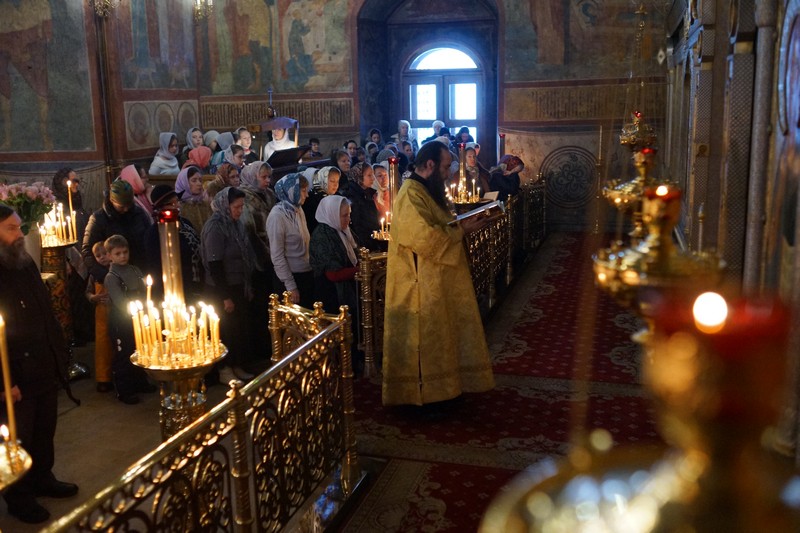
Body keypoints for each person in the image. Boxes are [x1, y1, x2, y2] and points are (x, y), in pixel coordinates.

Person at [382, 141, 495, 406]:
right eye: (445, 167)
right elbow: (424, 237)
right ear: (430, 165)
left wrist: (465, 223)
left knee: (443, 336)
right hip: (418, 286)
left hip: (435, 281)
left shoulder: (426, 190)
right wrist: (461, 231)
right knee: (425, 342)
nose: (447, 174)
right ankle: (425, 397)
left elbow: (441, 224)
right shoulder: (410, 194)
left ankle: (445, 390)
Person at [0, 204, 79, 524]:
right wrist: (3, 383)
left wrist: (57, 355)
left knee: (44, 429)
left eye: (19, 227)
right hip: (14, 373)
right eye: (11, 229)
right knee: (17, 438)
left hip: (42, 363)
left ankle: (42, 477)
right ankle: (18, 496)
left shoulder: (23, 260)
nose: (20, 234)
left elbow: (44, 310)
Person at [201, 187, 255, 384]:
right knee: (226, 330)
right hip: (221, 288)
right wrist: (225, 297)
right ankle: (224, 369)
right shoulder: (215, 227)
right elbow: (214, 264)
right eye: (236, 207)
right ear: (225, 205)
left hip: (238, 284)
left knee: (238, 329)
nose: (240, 210)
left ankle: (236, 364)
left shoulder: (235, 224)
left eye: (242, 206)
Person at [103, 234, 155, 405]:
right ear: (109, 255)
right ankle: (124, 389)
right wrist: (134, 312)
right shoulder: (112, 277)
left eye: (125, 252)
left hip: (138, 316)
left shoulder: (134, 270)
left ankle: (140, 381)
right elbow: (120, 302)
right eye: (118, 253)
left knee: (139, 348)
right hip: (121, 321)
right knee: (124, 353)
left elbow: (144, 291)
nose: (123, 256)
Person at [239, 162, 277, 366]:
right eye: (263, 177)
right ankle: (261, 349)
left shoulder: (269, 194)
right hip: (257, 259)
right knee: (260, 306)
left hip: (274, 254)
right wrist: (265, 255)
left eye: (269, 177)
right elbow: (249, 232)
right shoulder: (245, 198)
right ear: (253, 177)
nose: (267, 181)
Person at [143, 185, 203, 300]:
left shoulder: (185, 223)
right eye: (172, 204)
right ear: (161, 208)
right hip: (175, 285)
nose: (177, 206)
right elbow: (155, 267)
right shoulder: (154, 233)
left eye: (177, 202)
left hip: (196, 280)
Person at [82, 179, 152, 275]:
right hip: (115, 275)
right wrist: (107, 276)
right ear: (112, 201)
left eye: (129, 205)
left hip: (141, 272)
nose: (126, 209)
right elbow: (87, 252)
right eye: (121, 206)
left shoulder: (139, 213)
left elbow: (149, 240)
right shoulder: (98, 219)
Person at [267, 173, 313, 308]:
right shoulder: (277, 216)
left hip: (305, 274)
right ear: (292, 191)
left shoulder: (298, 209)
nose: (306, 195)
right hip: (289, 279)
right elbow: (277, 256)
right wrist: (291, 286)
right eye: (303, 191)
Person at [86, 242, 113, 392]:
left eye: (105, 254)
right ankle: (104, 378)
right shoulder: (94, 274)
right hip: (101, 314)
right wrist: (93, 297)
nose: (102, 258)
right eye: (98, 256)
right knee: (103, 345)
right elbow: (88, 292)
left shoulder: (117, 270)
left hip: (117, 311)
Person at [345, 162, 382, 251]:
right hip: (363, 245)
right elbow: (357, 225)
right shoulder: (352, 197)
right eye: (369, 175)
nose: (373, 178)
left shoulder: (368, 193)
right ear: (359, 176)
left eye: (373, 174)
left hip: (373, 240)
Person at [175, 166, 213, 237]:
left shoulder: (205, 203)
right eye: (194, 180)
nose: (199, 184)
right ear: (184, 183)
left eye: (200, 180)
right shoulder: (178, 206)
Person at [303, 165, 340, 235]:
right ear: (322, 179)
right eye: (332, 181)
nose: (335, 185)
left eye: (337, 181)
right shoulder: (311, 199)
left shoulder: (337, 196)